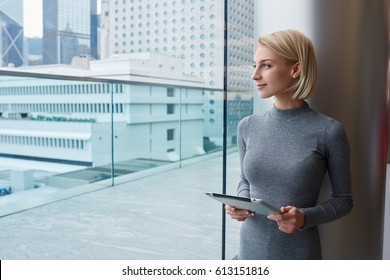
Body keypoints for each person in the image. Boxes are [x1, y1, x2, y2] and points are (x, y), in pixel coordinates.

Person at [225, 29, 353, 260]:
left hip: (298, 257)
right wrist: (241, 203)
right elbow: (245, 181)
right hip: (248, 253)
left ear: (296, 69)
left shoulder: (329, 131)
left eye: (266, 65)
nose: (255, 75)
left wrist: (304, 218)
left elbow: (344, 201)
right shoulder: (247, 126)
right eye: (254, 65)